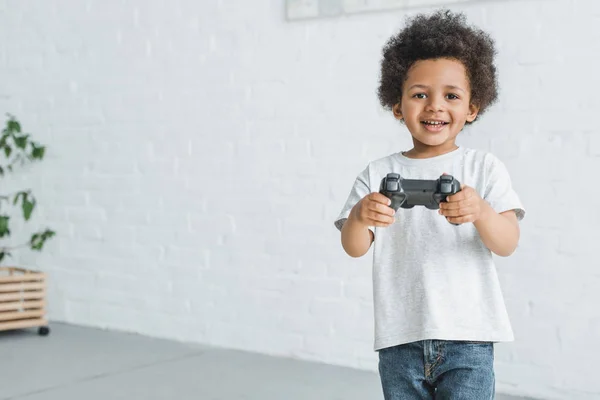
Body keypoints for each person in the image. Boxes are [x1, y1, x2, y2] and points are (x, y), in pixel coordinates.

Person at [333, 9, 526, 400]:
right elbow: (354, 247)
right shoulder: (377, 172)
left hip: (469, 337)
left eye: (451, 96)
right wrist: (359, 215)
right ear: (397, 105)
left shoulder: (483, 167)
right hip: (399, 337)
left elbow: (507, 243)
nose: (435, 106)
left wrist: (481, 212)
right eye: (420, 94)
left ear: (473, 108)